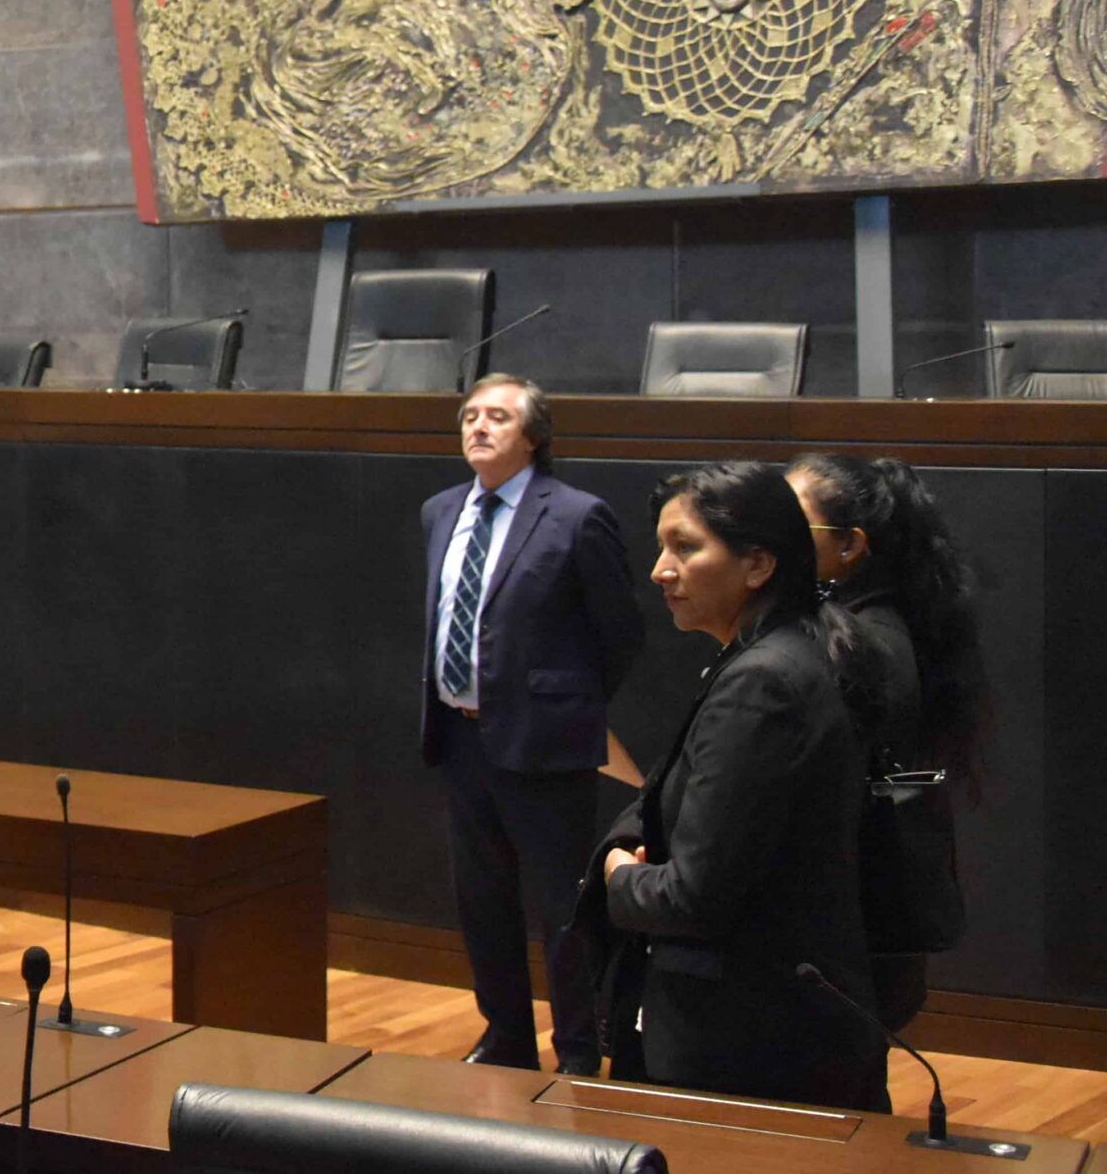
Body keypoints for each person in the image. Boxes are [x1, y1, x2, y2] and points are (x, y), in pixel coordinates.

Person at [594, 462, 884, 1111]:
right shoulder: (792, 650)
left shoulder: (763, 684)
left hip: (747, 1042)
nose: (659, 571)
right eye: (661, 546)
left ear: (757, 565)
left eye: (685, 548)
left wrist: (618, 878)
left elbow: (694, 898)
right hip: (782, 1025)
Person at [419, 373, 640, 1075]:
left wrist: (563, 703)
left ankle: (577, 1047)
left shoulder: (576, 515)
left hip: (547, 745)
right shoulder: (439, 511)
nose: (478, 427)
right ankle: (506, 1035)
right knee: (482, 902)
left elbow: (620, 632)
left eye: (498, 418)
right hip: (461, 738)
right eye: (470, 416)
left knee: (562, 911)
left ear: (535, 437)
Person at [789, 453, 992, 1033]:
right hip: (865, 933)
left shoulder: (859, 647)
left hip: (853, 938)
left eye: (790, 519)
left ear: (849, 546)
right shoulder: (879, 626)